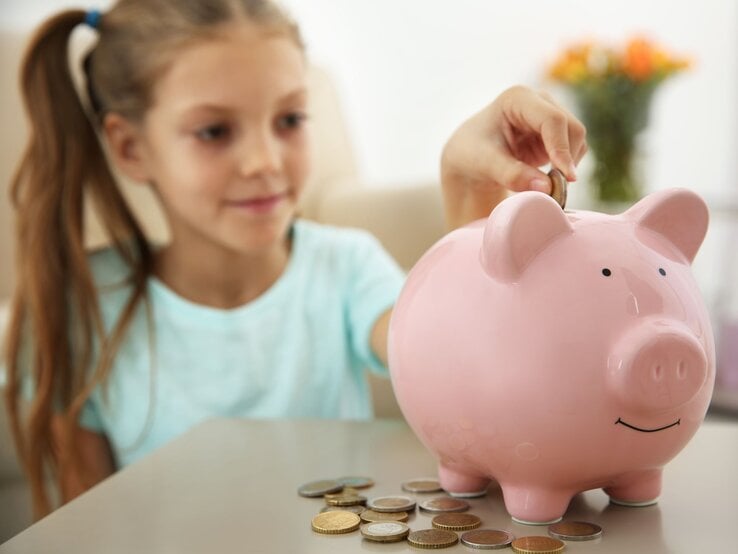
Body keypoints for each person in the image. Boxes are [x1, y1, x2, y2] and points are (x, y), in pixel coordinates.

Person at [2, 0, 586, 518]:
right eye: (214, 131)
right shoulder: (84, 306)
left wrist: (467, 198)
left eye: (288, 120)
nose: (264, 161)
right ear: (131, 147)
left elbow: (457, 359)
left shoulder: (346, 268)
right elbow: (88, 524)